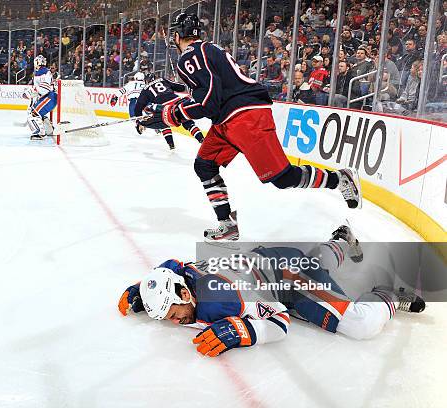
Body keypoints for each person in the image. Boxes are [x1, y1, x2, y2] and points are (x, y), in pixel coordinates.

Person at [141, 13, 362, 241]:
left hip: (244, 117)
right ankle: (227, 224)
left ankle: (339, 178)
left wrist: (171, 113)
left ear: (177, 35)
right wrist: (168, 111)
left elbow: (208, 101)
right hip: (229, 118)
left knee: (283, 178)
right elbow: (208, 94)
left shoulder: (189, 56)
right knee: (204, 165)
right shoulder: (207, 50)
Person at [118, 225, 425, 357]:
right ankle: (340, 241)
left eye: (173, 314)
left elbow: (280, 323)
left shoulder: (225, 298)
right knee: (316, 263)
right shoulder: (184, 279)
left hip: (287, 281)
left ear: (185, 296)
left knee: (361, 325)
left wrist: (246, 332)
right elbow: (172, 265)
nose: (175, 321)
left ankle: (386, 294)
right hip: (267, 263)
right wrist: (142, 290)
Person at [134, 72, 204, 150]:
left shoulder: (145, 89)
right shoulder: (163, 80)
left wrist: (139, 121)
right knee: (188, 123)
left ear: (146, 81)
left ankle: (171, 145)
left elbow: (138, 107)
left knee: (163, 124)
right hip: (178, 103)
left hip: (165, 108)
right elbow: (181, 87)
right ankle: (201, 139)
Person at [24, 55, 58, 140]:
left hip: (49, 97)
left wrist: (31, 92)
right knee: (35, 112)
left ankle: (39, 132)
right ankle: (49, 130)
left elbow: (44, 89)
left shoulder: (44, 72)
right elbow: (40, 90)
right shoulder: (42, 72)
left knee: (33, 114)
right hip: (47, 97)